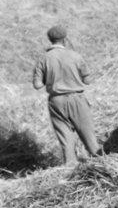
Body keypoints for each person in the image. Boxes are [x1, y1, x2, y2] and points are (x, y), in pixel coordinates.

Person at [31, 24, 102, 165]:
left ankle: (70, 166)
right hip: (77, 98)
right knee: (88, 135)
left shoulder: (43, 59)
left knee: (65, 136)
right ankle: (100, 163)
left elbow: (37, 85)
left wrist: (50, 78)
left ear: (50, 40)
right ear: (64, 40)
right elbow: (88, 80)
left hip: (56, 101)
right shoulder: (75, 55)